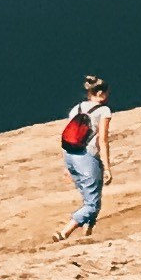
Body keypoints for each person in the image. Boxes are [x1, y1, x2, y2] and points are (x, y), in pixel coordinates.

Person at [53, 74, 113, 241]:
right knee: (92, 204)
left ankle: (87, 234)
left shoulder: (76, 109)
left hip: (71, 155)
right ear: (100, 93)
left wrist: (67, 166)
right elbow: (102, 139)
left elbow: (67, 136)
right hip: (87, 157)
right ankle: (64, 232)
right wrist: (107, 167)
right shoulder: (103, 110)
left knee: (92, 199)